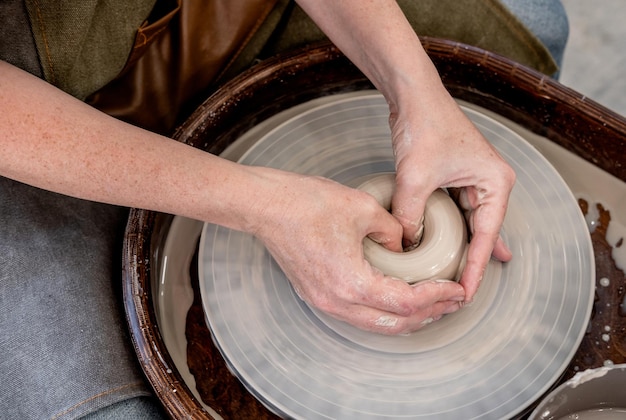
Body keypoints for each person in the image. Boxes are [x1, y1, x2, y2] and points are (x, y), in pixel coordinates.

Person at [0, 0, 568, 418]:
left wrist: (416, 93)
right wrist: (258, 203)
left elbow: (418, 86)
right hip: (37, 136)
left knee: (533, 26)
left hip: (213, 17)